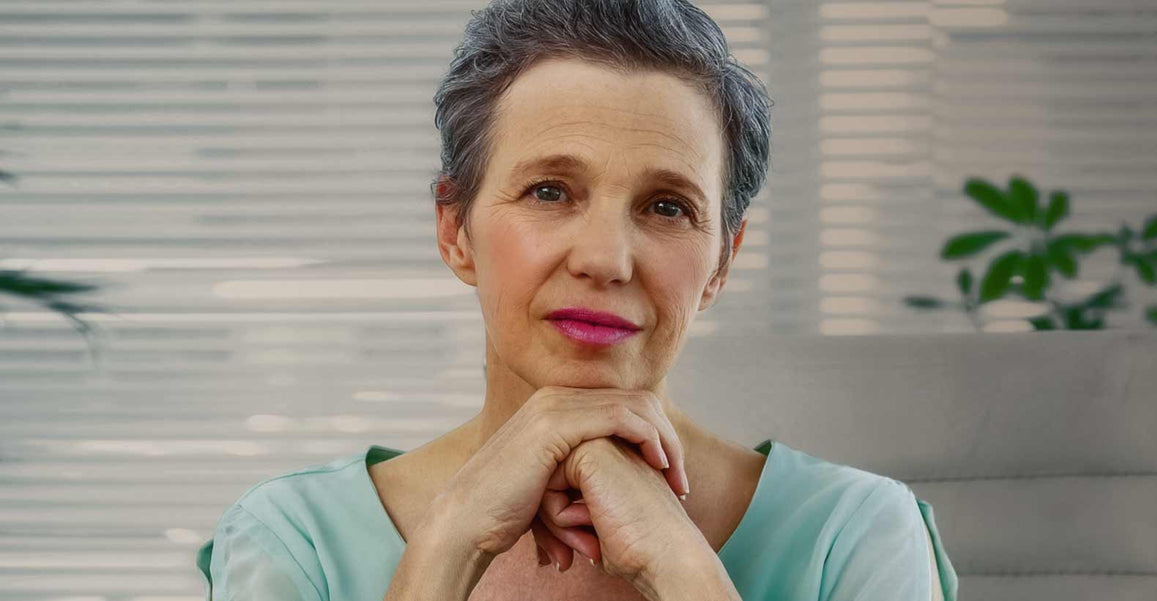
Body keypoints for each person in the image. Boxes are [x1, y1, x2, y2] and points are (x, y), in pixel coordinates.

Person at [194, 1, 958, 599]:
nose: (604, 259)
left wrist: (680, 568)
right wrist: (450, 539)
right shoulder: (293, 538)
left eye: (666, 206)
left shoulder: (855, 535)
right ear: (455, 229)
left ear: (723, 258)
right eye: (550, 190)